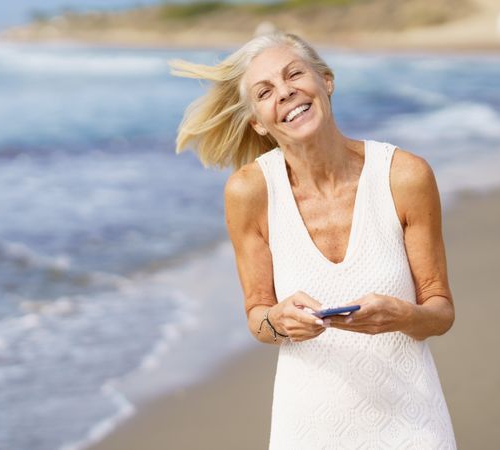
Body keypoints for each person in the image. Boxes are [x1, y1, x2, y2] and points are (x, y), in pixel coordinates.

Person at [169, 31, 456, 449]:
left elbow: (440, 311)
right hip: (307, 428)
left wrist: (402, 316)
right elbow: (258, 317)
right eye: (265, 92)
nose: (285, 93)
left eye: (295, 75)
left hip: (413, 424)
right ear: (257, 122)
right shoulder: (250, 192)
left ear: (326, 80)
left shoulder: (404, 175)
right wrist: (278, 321)